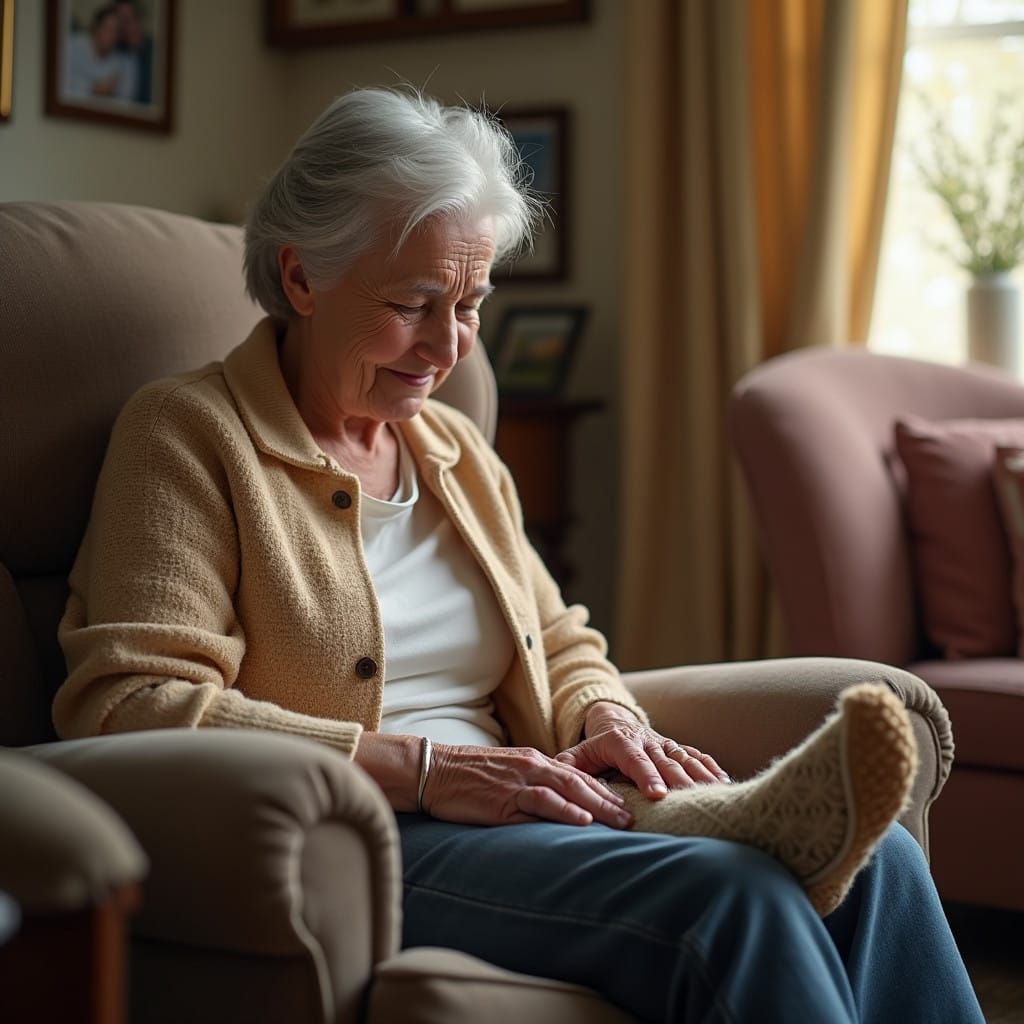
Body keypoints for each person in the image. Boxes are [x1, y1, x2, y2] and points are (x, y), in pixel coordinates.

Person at [53, 87, 985, 1023]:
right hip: (366, 839)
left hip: (527, 806)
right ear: (301, 278)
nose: (449, 347)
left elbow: (560, 635)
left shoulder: (455, 455)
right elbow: (130, 703)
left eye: (470, 304)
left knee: (884, 860)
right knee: (735, 898)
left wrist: (605, 716)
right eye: (415, 303)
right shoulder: (188, 435)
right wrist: (424, 770)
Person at [66, 3, 138, 103]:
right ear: (96, 27)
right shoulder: (72, 45)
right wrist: (94, 89)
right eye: (106, 27)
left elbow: (126, 101)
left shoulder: (123, 62)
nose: (109, 34)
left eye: (114, 31)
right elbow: (62, 86)